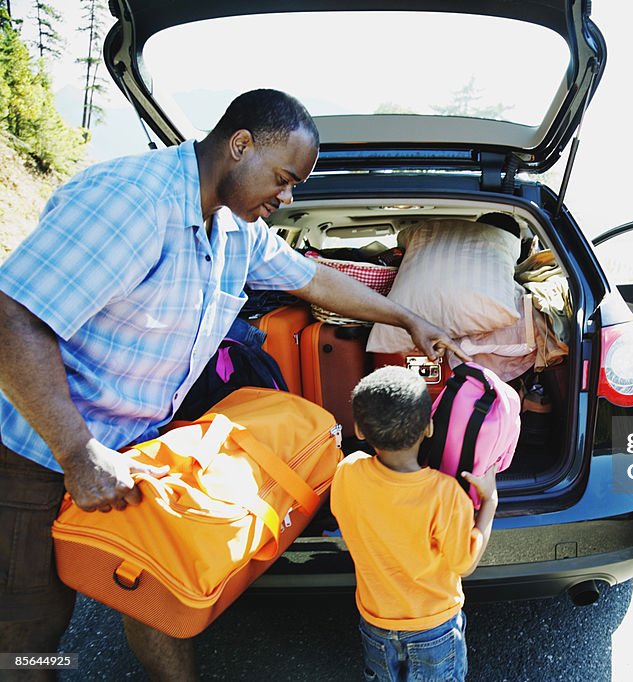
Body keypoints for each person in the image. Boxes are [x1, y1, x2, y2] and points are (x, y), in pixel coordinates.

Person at [0, 88, 468, 681]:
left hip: (138, 445)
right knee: (30, 623)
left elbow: (312, 279)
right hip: (36, 448)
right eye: (283, 178)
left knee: (160, 586)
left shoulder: (232, 228)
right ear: (239, 145)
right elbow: (13, 315)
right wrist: (77, 451)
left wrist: (407, 318)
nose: (287, 197)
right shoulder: (132, 201)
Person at [330, 366, 497, 682]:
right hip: (434, 628)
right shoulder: (444, 494)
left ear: (360, 430)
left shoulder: (348, 472)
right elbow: (465, 564)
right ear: (429, 427)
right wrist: (490, 503)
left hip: (376, 624)